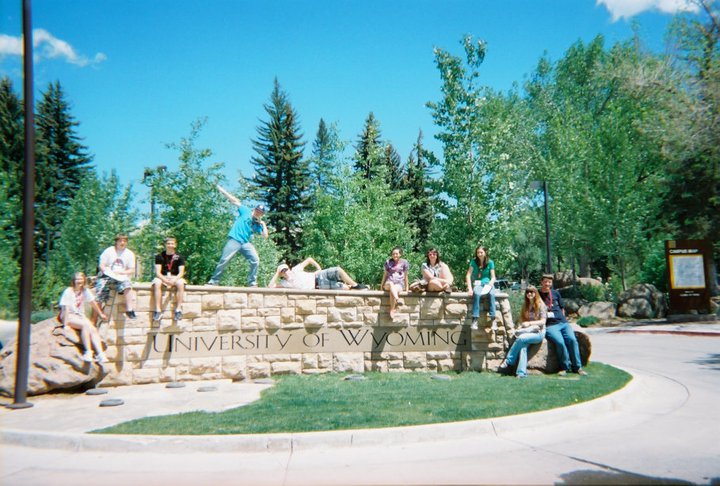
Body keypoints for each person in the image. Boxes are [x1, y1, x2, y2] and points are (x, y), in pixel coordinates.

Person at [207, 185, 268, 287]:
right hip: (235, 240)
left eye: (260, 213)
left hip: (245, 243)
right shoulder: (246, 211)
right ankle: (214, 281)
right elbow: (234, 200)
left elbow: (265, 236)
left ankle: (252, 283)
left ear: (261, 214)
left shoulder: (257, 224)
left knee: (255, 260)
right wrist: (222, 190)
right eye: (257, 211)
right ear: (254, 209)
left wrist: (263, 224)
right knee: (224, 259)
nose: (258, 213)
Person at [538, 274, 587, 376]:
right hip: (550, 325)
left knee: (572, 340)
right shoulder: (537, 295)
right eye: (545, 281)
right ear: (541, 282)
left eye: (549, 282)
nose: (547, 284)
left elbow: (562, 308)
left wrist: (563, 319)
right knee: (560, 342)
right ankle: (564, 367)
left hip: (563, 323)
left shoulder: (556, 293)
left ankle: (577, 367)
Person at [498, 285, 547, 378]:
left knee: (521, 338)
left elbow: (543, 321)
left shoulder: (541, 305)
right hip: (528, 332)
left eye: (531, 292)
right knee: (523, 347)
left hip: (538, 333)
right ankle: (521, 373)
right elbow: (522, 320)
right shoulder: (526, 305)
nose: (529, 294)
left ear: (535, 293)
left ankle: (509, 361)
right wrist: (520, 327)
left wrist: (529, 323)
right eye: (527, 292)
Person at [60, 272, 108, 363]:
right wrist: (65, 324)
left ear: (84, 280)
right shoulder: (68, 291)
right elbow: (65, 308)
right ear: (73, 281)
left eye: (81, 279)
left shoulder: (85, 291)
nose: (79, 281)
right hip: (69, 315)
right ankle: (88, 352)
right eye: (77, 279)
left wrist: (100, 314)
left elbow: (93, 303)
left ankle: (100, 354)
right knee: (86, 326)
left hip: (80, 316)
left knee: (93, 329)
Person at [95, 233, 137, 319]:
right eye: (120, 241)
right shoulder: (108, 251)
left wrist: (122, 272)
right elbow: (101, 265)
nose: (122, 243)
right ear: (116, 242)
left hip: (121, 276)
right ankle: (97, 313)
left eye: (124, 241)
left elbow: (132, 269)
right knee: (100, 289)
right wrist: (108, 272)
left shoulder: (129, 254)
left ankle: (130, 309)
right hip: (106, 275)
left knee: (127, 284)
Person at [268, 257, 368, 290]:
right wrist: (277, 272)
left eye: (286, 269)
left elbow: (309, 259)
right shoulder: (286, 283)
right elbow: (270, 287)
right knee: (345, 288)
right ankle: (357, 287)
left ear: (289, 268)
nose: (286, 272)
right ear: (281, 274)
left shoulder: (295, 269)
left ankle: (356, 285)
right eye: (283, 271)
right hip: (319, 285)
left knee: (338, 270)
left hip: (319, 275)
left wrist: (318, 268)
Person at [152, 236, 186, 322]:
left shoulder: (180, 257)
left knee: (181, 283)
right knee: (157, 283)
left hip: (175, 277)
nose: (170, 245)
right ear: (165, 245)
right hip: (162, 276)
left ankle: (178, 310)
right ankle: (158, 310)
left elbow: (181, 272)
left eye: (172, 243)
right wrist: (165, 280)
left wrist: (174, 280)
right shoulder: (159, 256)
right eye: (168, 243)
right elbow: (158, 272)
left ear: (175, 245)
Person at [465, 245, 497, 330]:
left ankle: (493, 319)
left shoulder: (490, 262)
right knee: (477, 294)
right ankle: (475, 319)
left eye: (481, 252)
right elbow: (468, 275)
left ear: (485, 253)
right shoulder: (473, 262)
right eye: (478, 252)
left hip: (488, 284)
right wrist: (470, 288)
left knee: (492, 294)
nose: (479, 254)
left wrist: (490, 284)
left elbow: (493, 277)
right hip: (478, 284)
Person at [381, 247, 409, 318]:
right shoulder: (388, 262)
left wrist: (407, 288)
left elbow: (405, 276)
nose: (395, 255)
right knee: (391, 284)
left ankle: (392, 309)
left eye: (396, 254)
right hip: (388, 283)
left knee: (393, 289)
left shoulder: (404, 262)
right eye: (393, 254)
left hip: (399, 284)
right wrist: (381, 286)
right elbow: (385, 275)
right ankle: (397, 299)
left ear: (400, 254)